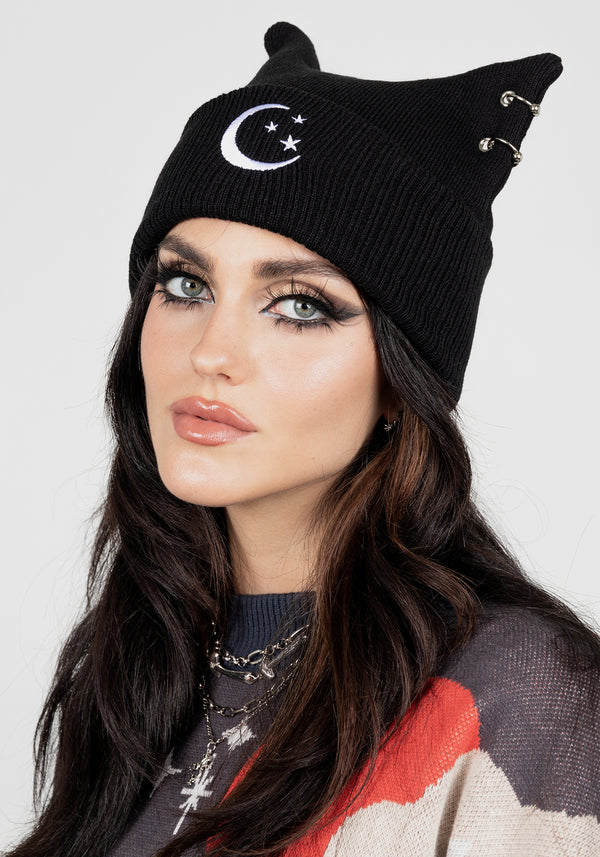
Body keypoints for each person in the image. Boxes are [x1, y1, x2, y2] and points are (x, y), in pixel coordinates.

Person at [8, 20, 600, 857]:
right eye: (185, 284)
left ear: (401, 376)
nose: (211, 353)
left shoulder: (518, 696)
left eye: (298, 305)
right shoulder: (139, 668)